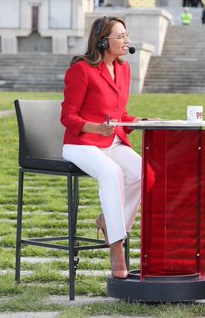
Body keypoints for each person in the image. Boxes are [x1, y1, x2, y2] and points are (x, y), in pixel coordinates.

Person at [60, 16, 146, 279]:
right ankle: (116, 247)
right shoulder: (81, 70)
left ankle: (110, 223)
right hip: (80, 143)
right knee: (112, 173)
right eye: (120, 36)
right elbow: (68, 116)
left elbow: (119, 113)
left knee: (144, 173)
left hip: (113, 141)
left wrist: (139, 122)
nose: (126, 40)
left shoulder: (124, 69)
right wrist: (95, 128)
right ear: (102, 41)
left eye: (126, 35)